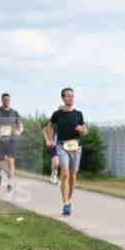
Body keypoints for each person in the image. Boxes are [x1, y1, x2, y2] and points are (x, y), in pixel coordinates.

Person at [45, 87, 87, 215]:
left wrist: (81, 129)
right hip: (61, 146)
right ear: (63, 98)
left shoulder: (78, 114)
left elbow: (85, 131)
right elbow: (49, 127)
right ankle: (65, 203)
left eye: (72, 96)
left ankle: (69, 200)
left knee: (73, 177)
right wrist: (50, 139)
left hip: (76, 147)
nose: (71, 98)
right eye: (68, 96)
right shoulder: (57, 114)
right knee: (64, 174)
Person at [0, 93, 23, 192]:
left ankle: (10, 182)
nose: (7, 101)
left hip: (11, 140)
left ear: (10, 100)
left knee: (11, 161)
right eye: (5, 99)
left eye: (8, 99)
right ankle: (0, 173)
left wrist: (19, 131)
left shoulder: (14, 113)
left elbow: (21, 126)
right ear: (2, 100)